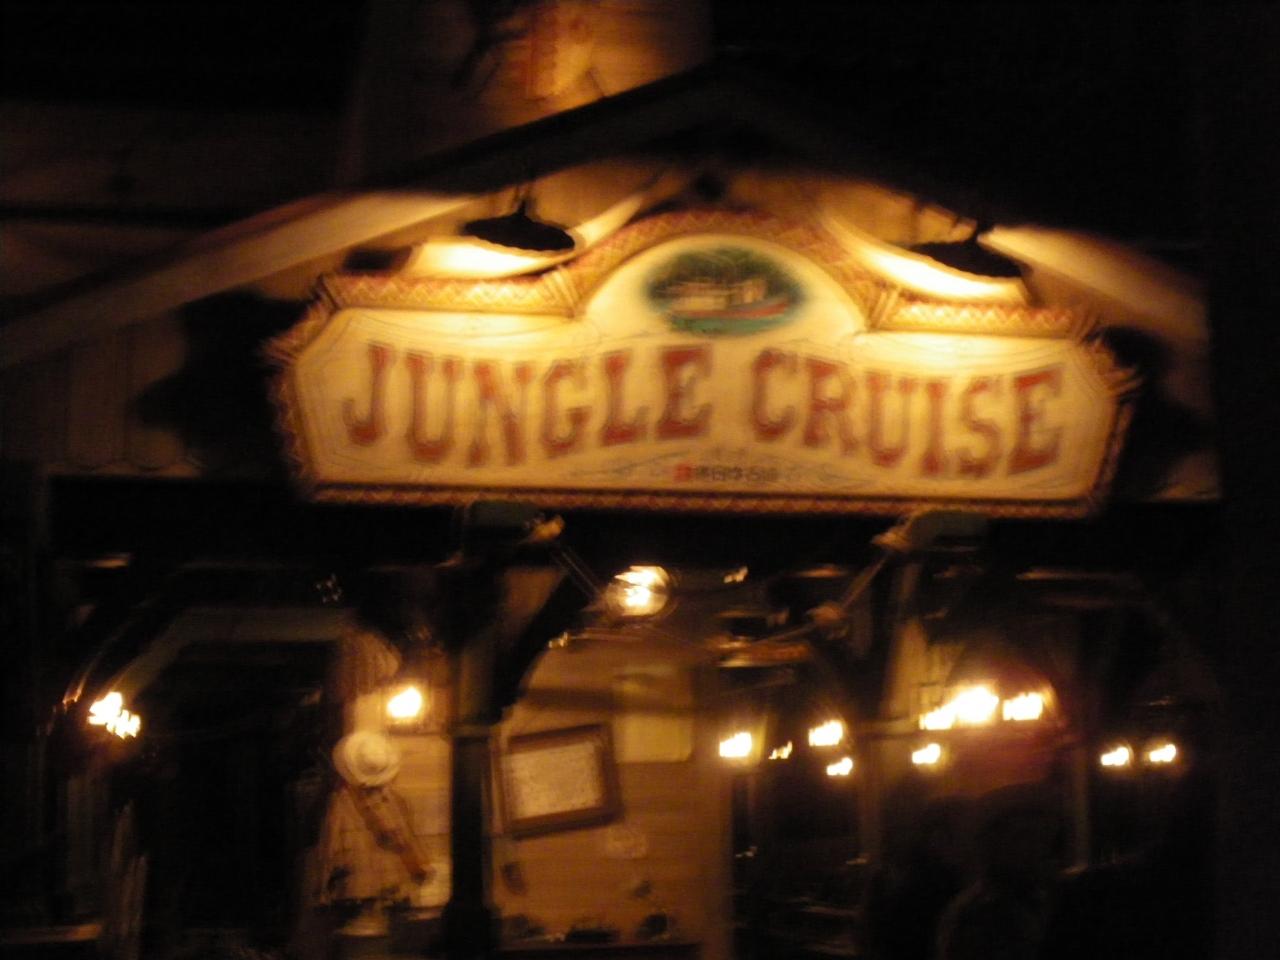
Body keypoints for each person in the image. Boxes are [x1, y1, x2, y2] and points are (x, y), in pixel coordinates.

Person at [936, 790, 1059, 960]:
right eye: (1022, 837)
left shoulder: (1048, 897)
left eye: (1041, 837)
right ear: (995, 844)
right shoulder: (976, 914)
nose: (1035, 847)